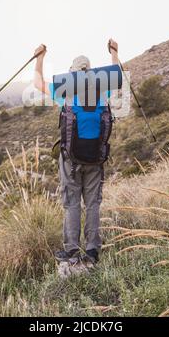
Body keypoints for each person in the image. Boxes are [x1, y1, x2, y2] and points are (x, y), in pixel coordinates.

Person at [33, 39, 119, 265]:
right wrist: (114, 53)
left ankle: (71, 250)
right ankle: (92, 251)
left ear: (73, 73)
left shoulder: (66, 91)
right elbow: (120, 76)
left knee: (71, 203)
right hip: (96, 158)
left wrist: (39, 57)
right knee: (92, 204)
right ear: (90, 72)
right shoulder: (103, 90)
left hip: (70, 158)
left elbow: (37, 83)